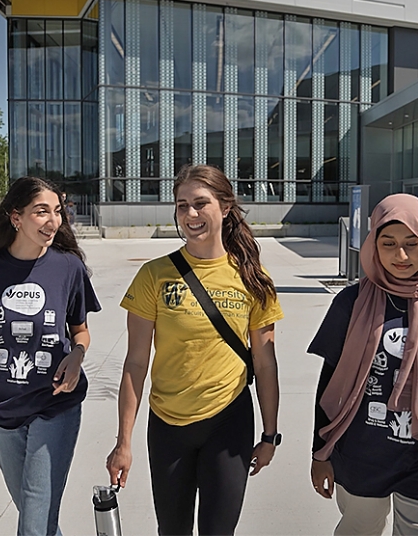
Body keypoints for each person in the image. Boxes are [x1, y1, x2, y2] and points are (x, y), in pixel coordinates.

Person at [106, 164, 284, 536]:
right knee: (172, 531)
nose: (190, 215)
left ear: (225, 207)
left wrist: (269, 435)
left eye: (201, 204)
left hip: (229, 422)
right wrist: (123, 442)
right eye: (181, 205)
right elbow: (136, 363)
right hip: (168, 425)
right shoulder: (154, 276)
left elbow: (265, 365)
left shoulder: (252, 278)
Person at [0, 176, 101, 536]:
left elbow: (81, 331)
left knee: (33, 522)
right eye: (41, 212)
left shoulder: (68, 267)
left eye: (57, 212)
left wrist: (77, 354)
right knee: (38, 517)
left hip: (54, 405)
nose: (53, 221)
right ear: (16, 217)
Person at [308, 193, 418, 536]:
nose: (400, 255)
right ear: (373, 245)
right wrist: (319, 453)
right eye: (389, 243)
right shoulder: (351, 302)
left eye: (412, 243)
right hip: (362, 452)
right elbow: (330, 382)